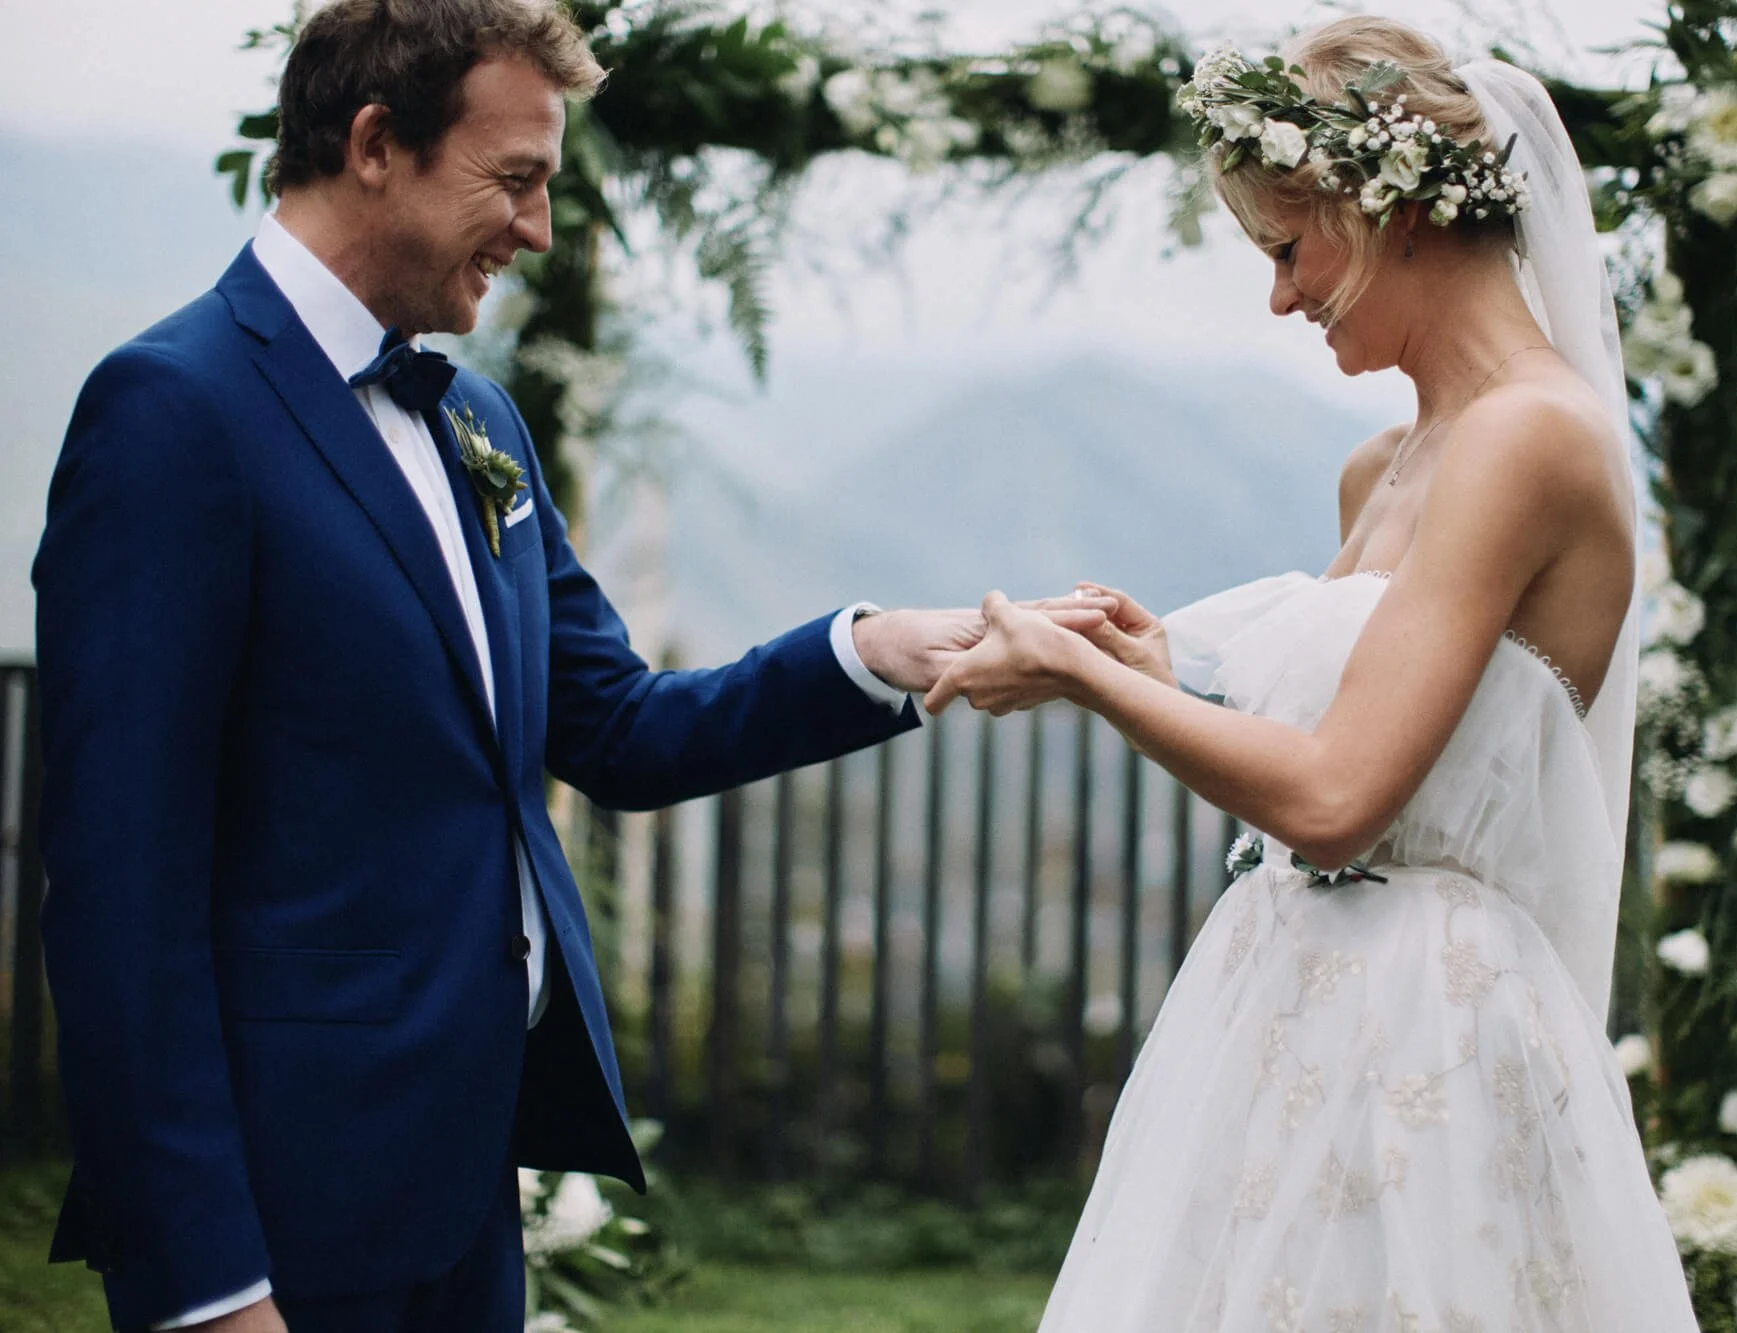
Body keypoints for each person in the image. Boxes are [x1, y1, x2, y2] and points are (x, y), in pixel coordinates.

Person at [30, 3, 1107, 1329]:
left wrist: (867, 653)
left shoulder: (474, 417)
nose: (537, 229)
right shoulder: (174, 412)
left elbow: (618, 729)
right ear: (377, 144)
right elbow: (116, 900)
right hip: (282, 1211)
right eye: (516, 179)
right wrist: (208, 1286)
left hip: (464, 1187)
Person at [927, 17, 1702, 1331]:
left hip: (1433, 1034)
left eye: (1288, 249)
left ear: (1387, 206)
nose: (1280, 295)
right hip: (1277, 1004)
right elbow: (1371, 717)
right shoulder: (1384, 466)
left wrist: (1085, 679)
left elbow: (1342, 797)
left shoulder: (1531, 440)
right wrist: (1152, 659)